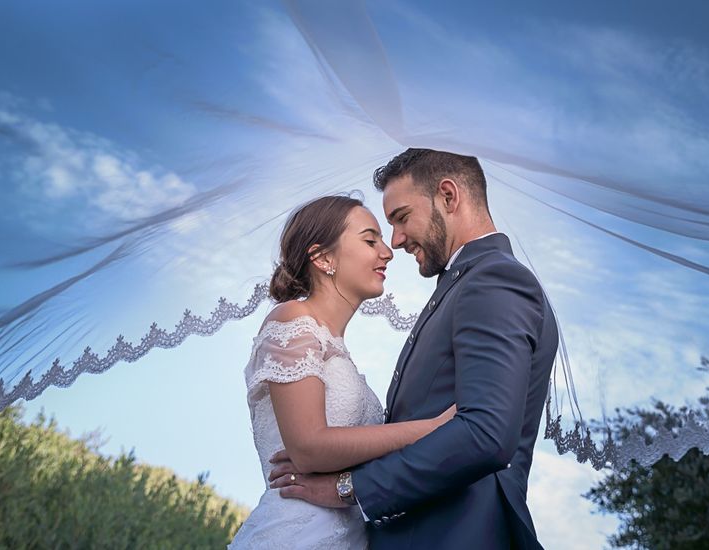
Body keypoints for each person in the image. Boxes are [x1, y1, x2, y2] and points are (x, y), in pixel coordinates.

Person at [269, 149, 560, 549]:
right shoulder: (460, 286)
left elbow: (486, 433)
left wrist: (347, 488)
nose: (395, 241)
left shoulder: (494, 279)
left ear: (449, 196)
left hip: (455, 534)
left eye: (402, 217)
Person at [228, 195, 456, 549]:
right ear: (322, 257)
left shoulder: (337, 350)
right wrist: (430, 429)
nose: (388, 252)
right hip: (297, 535)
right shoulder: (292, 320)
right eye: (370, 240)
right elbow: (307, 448)